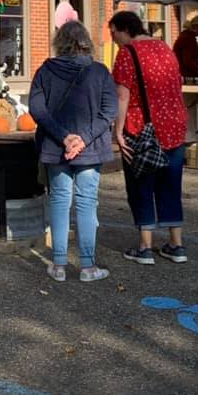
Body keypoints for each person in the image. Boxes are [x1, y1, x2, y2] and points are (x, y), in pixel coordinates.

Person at [28, 20, 117, 283]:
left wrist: (64, 137)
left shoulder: (45, 70)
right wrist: (83, 139)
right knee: (87, 203)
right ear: (86, 42)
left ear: (60, 43)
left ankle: (58, 265)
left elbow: (37, 109)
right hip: (89, 149)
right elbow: (108, 112)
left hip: (56, 149)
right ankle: (88, 267)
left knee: (58, 200)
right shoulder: (100, 72)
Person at [109, 10, 188, 266]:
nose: (113, 40)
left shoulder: (127, 53)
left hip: (141, 128)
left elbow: (122, 96)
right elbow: (178, 83)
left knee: (141, 185)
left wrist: (118, 130)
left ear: (123, 29)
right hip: (173, 125)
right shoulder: (165, 47)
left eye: (113, 33)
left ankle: (145, 247)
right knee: (171, 184)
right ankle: (176, 244)